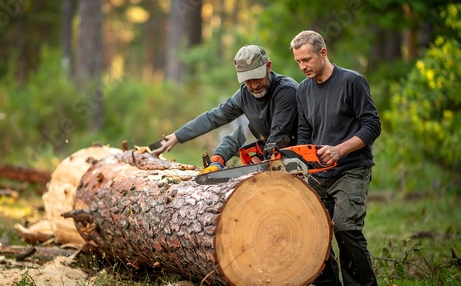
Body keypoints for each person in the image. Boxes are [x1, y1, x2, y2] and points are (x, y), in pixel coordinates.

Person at [290, 30, 381, 285]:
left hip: (352, 168)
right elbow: (304, 135)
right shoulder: (303, 90)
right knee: (313, 231)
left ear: (323, 52)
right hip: (319, 174)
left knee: (345, 228)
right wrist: (298, 164)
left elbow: (372, 126)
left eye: (306, 59)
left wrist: (339, 150)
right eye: (298, 61)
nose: (303, 66)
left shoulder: (352, 81)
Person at [153, 45, 299, 172]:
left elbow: (280, 134)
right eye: (248, 80)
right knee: (239, 133)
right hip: (272, 148)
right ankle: (217, 162)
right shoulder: (244, 95)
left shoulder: (286, 90)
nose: (254, 85)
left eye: (257, 77)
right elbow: (214, 117)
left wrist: (266, 161)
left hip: (298, 155)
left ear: (268, 66)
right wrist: (179, 135)